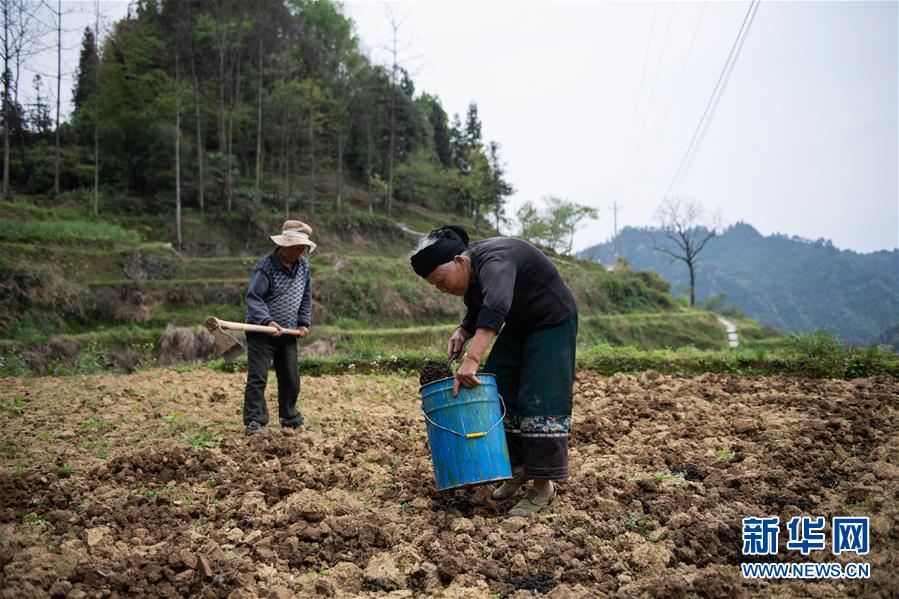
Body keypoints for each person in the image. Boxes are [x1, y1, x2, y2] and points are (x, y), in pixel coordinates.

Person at [410, 225, 578, 516]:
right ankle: (517, 468)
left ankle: (543, 489)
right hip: (521, 325)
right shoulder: (470, 271)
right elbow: (479, 307)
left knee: (540, 397)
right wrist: (463, 331)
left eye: (440, 280)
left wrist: (472, 360)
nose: (442, 288)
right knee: (498, 389)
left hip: (552, 320)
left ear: (459, 262)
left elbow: (496, 307)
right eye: (435, 286)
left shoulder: (495, 259)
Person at [242, 220, 316, 436]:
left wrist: (303, 323)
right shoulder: (265, 267)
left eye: (301, 249)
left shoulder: (303, 267)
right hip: (261, 332)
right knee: (258, 378)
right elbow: (254, 298)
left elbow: (306, 298)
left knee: (291, 378)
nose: (298, 253)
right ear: (284, 245)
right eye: (295, 248)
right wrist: (267, 322)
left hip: (288, 332)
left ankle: (290, 419)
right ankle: (254, 422)